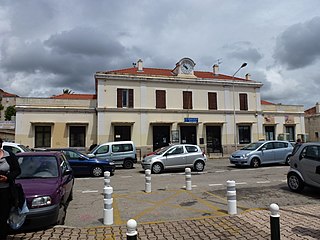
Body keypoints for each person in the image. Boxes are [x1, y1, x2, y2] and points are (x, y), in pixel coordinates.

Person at [0, 138, 21, 239]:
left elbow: (17, 170)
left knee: (3, 216)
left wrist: (7, 178)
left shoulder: (9, 156)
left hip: (5, 190)